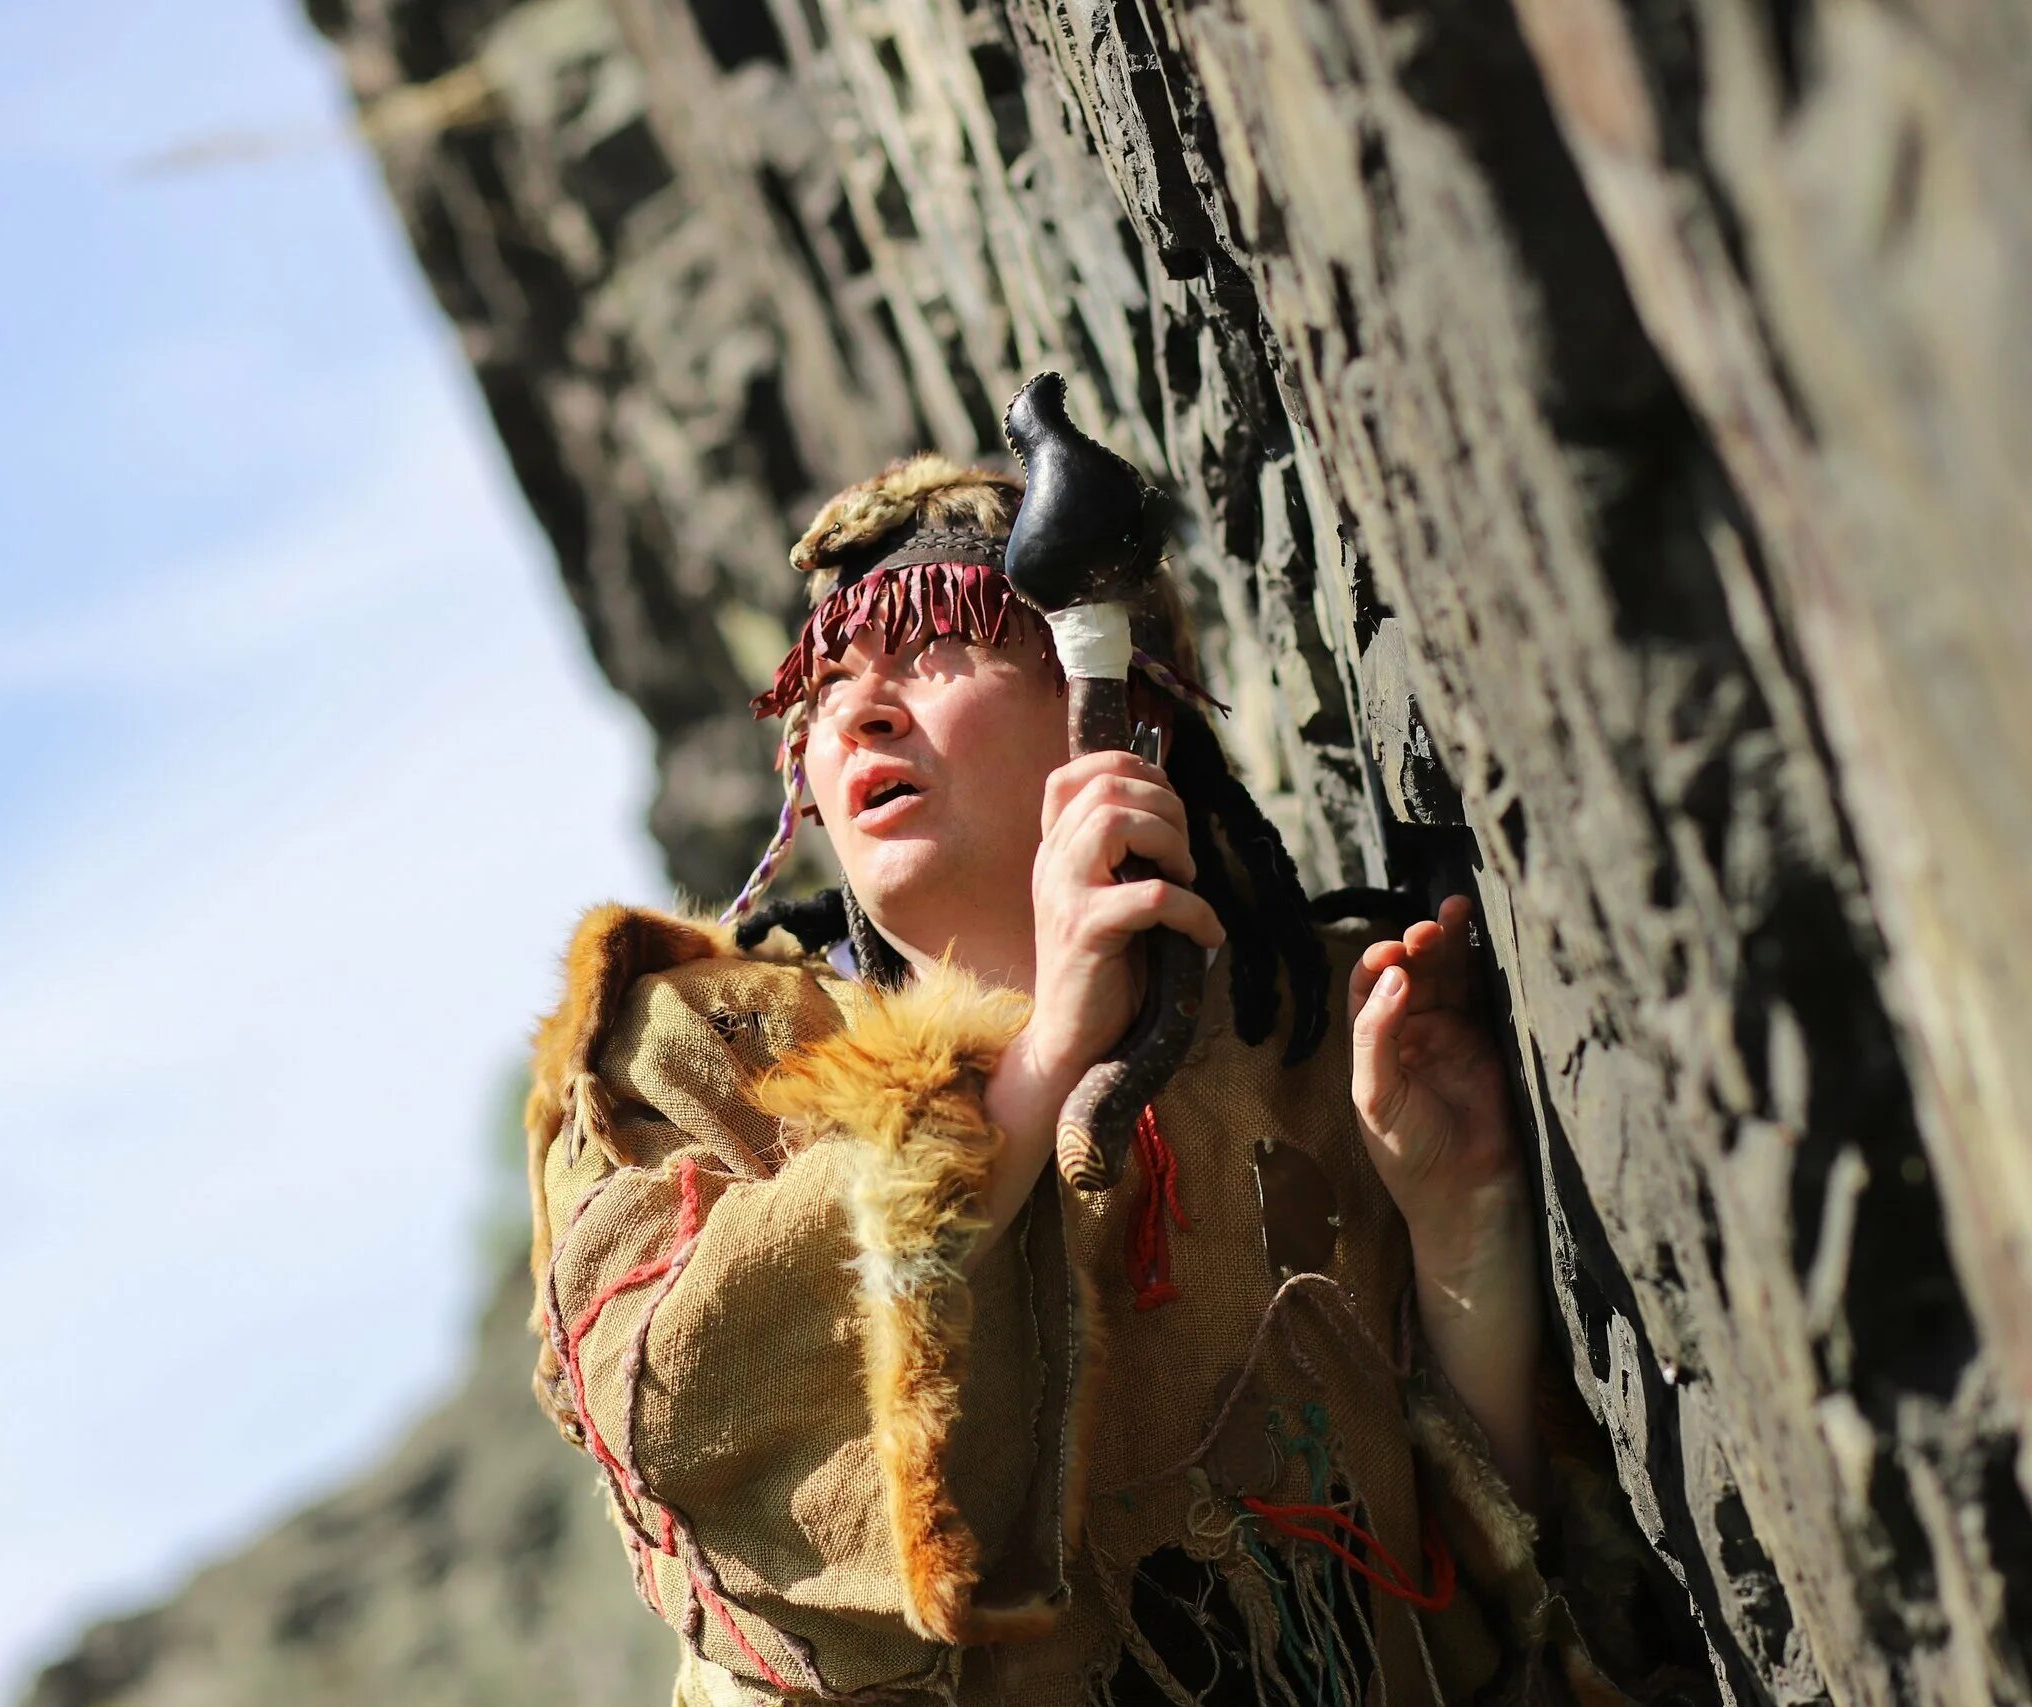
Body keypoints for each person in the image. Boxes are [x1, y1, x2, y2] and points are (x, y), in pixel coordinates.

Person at [525, 455, 1693, 1706]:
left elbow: (1473, 1589)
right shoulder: (690, 1049)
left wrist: (1464, 1216)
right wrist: (1034, 1064)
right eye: (824, 679)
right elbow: (675, 1418)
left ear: (1120, 711)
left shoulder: (1314, 1033)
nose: (857, 711)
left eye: (931, 642)